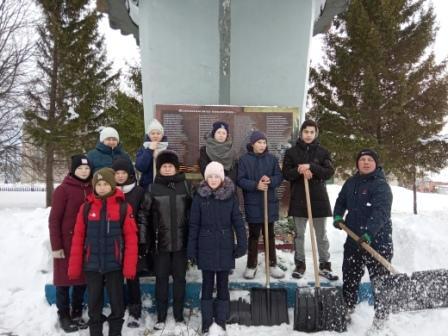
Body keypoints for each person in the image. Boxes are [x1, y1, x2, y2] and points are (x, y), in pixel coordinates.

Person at [68, 168, 138, 336]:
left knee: (117, 303)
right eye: (98, 184)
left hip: (114, 265)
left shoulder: (123, 208)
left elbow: (131, 239)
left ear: (112, 185)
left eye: (105, 184)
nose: (101, 187)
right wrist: (75, 266)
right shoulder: (86, 208)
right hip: (92, 266)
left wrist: (129, 267)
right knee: (94, 304)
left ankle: (115, 332)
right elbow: (78, 238)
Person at [333, 149, 393, 333]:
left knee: (380, 281)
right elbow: (341, 200)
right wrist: (337, 214)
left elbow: (381, 212)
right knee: (350, 275)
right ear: (357, 163)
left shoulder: (381, 185)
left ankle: (381, 318)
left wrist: (369, 233)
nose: (366, 162)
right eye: (362, 159)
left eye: (369, 160)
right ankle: (348, 308)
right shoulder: (351, 182)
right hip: (353, 238)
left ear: (375, 163)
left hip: (377, 241)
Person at [187, 162, 247, 335]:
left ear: (222, 178)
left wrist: (242, 244)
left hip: (225, 247)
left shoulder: (230, 197)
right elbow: (194, 225)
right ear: (206, 178)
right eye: (210, 176)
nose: (213, 180)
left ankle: (221, 320)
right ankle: (206, 322)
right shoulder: (199, 197)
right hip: (205, 247)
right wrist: (192, 249)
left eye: (216, 176)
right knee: (207, 284)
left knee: (222, 284)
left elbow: (238, 222)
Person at [138, 150, 192, 331]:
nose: (167, 169)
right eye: (164, 166)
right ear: (159, 168)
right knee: (161, 280)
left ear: (176, 168)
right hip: (159, 245)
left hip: (181, 244)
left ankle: (178, 315)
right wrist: (144, 240)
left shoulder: (185, 186)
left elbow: (193, 214)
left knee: (179, 280)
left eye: (170, 166)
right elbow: (143, 215)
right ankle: (161, 316)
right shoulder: (152, 188)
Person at [282, 120, 337, 280]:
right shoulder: (291, 153)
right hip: (299, 198)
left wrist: (311, 167)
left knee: (321, 235)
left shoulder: (323, 152)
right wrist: (299, 170)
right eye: (306, 132)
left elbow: (328, 172)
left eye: (312, 132)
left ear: (316, 134)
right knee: (299, 234)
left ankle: (325, 265)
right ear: (301, 133)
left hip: (318, 198)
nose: (308, 135)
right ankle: (300, 264)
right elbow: (286, 173)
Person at [49, 154, 92, 333]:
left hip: (85, 243)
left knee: (82, 280)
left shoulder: (92, 189)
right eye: (80, 168)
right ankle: (64, 315)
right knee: (63, 282)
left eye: (87, 168)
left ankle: (76, 312)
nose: (83, 171)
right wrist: (56, 246)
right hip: (66, 244)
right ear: (73, 170)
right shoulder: (63, 190)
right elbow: (54, 220)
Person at [237, 131, 284, 279]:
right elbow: (240, 179)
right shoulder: (244, 160)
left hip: (269, 203)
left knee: (269, 235)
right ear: (252, 144)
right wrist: (255, 185)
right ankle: (251, 265)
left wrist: (270, 180)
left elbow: (279, 176)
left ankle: (272, 264)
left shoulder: (272, 159)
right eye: (259, 142)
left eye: (264, 142)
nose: (262, 145)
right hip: (253, 204)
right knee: (254, 236)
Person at [112, 158, 145, 328]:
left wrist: (142, 240)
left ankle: (135, 311)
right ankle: (118, 309)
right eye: (117, 173)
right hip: (114, 241)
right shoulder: (108, 191)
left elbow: (144, 215)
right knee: (116, 278)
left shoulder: (138, 192)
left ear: (129, 174)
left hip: (133, 241)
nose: (120, 176)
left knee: (132, 277)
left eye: (123, 173)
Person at [135, 119, 169, 190]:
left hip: (164, 185)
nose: (155, 136)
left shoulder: (167, 148)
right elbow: (141, 167)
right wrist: (149, 150)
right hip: (147, 185)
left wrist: (160, 158)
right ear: (148, 135)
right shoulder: (144, 148)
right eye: (153, 133)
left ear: (162, 135)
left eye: (158, 133)